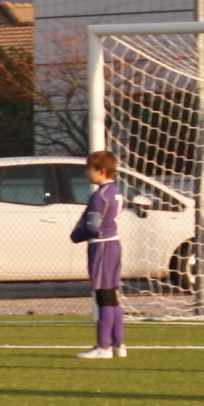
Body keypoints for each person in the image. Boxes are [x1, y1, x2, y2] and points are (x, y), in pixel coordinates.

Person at [69, 150, 127, 360]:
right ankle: (119, 344)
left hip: (102, 247)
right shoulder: (116, 192)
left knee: (104, 297)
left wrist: (77, 235)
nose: (87, 173)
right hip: (114, 244)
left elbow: (93, 227)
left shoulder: (100, 195)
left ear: (101, 171)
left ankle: (103, 346)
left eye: (90, 169)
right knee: (111, 295)